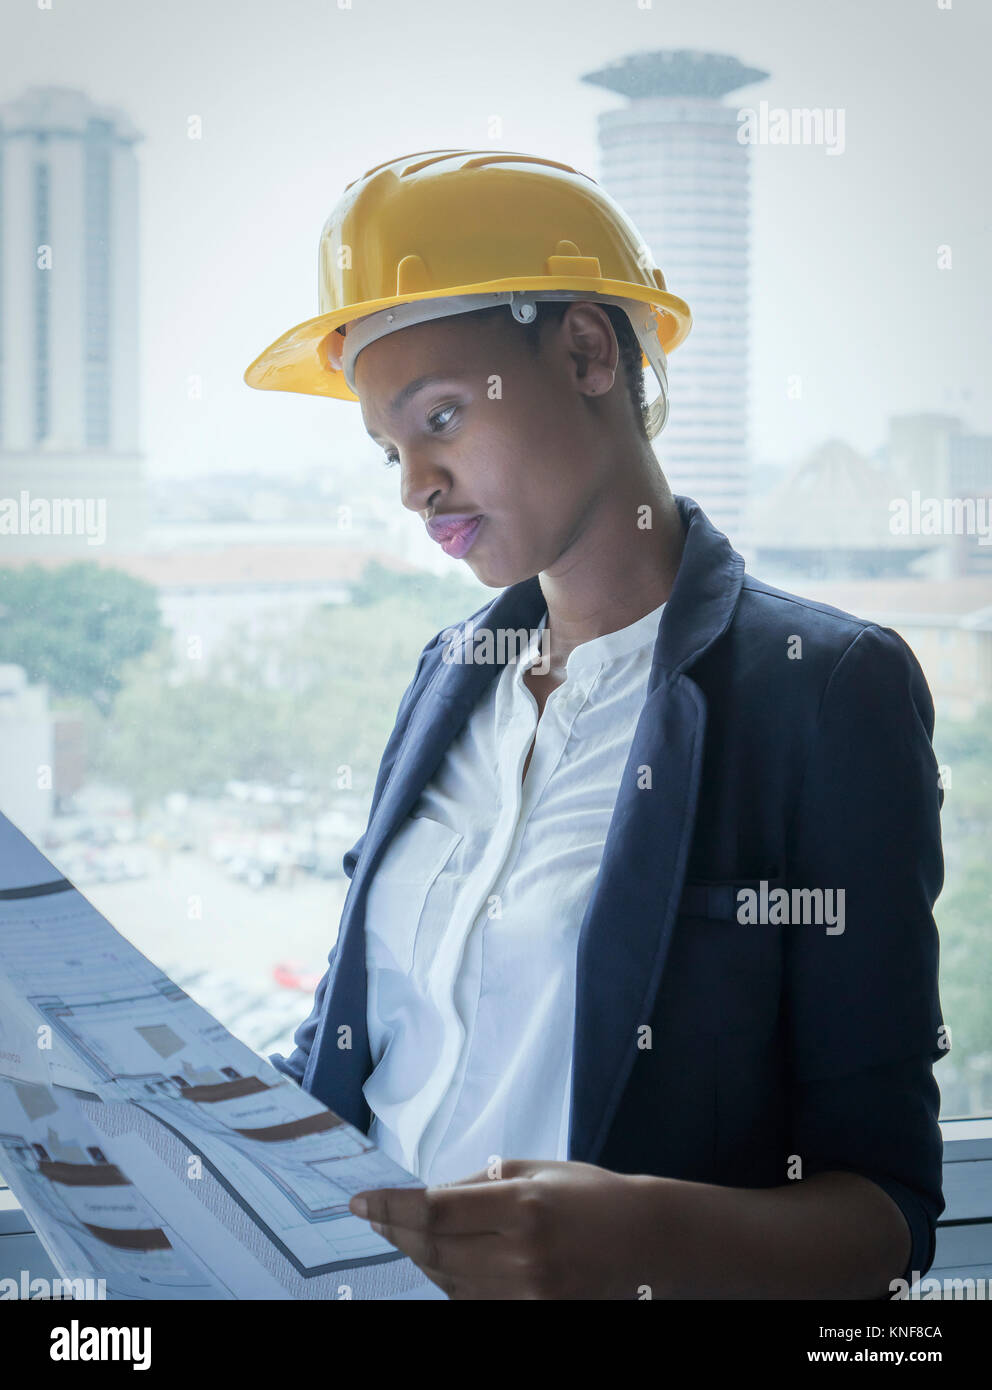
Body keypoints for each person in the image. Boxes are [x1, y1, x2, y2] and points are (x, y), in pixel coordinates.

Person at [243, 149, 947, 1300]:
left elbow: (884, 1209)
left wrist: (644, 1240)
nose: (413, 484)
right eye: (390, 448)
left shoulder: (824, 690)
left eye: (441, 417)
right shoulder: (446, 675)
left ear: (583, 350)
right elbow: (363, 1049)